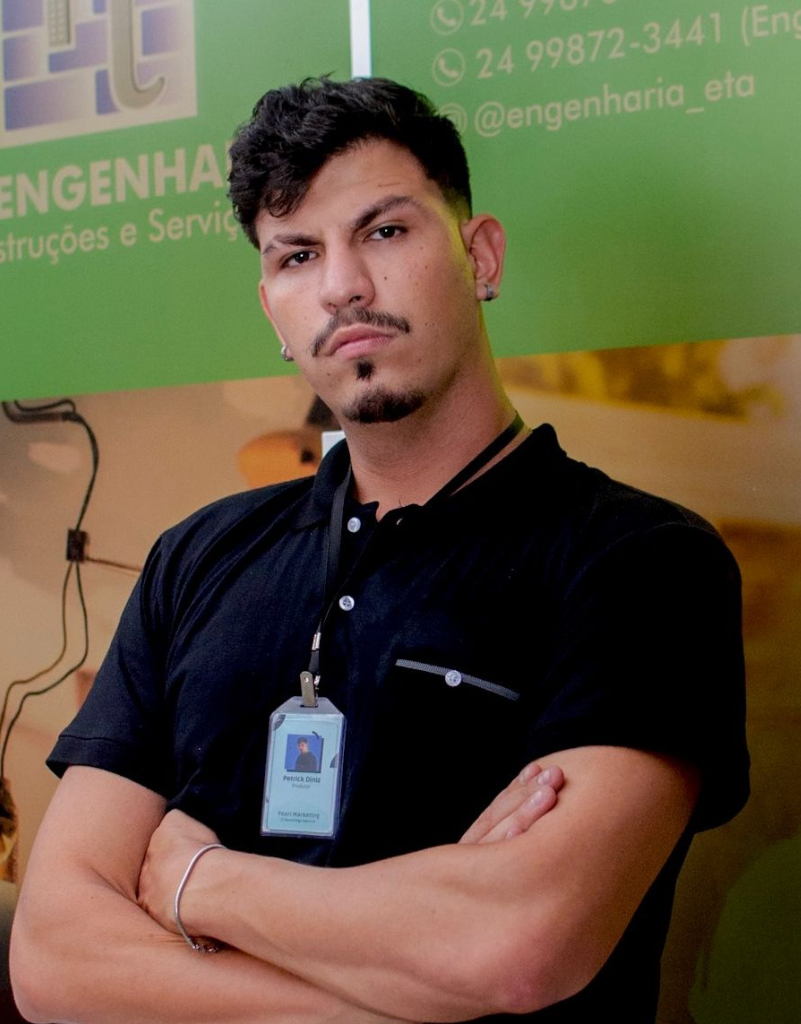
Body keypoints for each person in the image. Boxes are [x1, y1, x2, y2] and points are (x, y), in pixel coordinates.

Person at [11, 77, 748, 1024]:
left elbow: (521, 945)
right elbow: (53, 958)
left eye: (386, 231)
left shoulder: (641, 562)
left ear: (480, 256)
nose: (342, 285)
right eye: (298, 254)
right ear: (273, 309)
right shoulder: (195, 559)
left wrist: (197, 881)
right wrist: (422, 978)